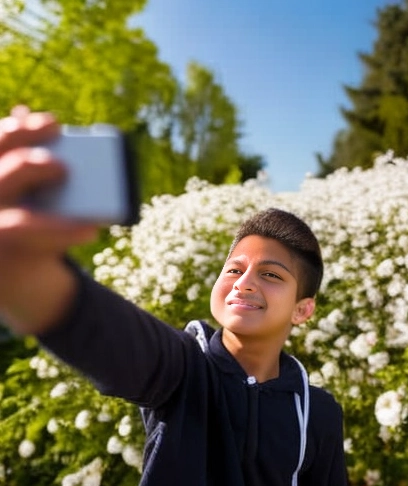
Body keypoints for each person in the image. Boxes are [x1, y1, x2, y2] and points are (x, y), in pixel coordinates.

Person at [0, 107, 348, 486]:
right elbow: (107, 336)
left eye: (270, 275)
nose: (244, 282)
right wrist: (28, 275)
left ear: (303, 309)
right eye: (234, 269)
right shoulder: (183, 370)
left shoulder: (319, 412)